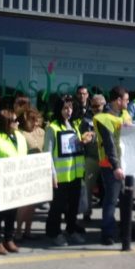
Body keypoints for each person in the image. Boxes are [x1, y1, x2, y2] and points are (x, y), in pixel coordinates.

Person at [45, 95, 93, 245]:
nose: (69, 111)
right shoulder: (52, 128)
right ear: (59, 109)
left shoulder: (73, 127)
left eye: (71, 108)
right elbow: (47, 153)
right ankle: (54, 233)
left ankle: (71, 230)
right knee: (57, 208)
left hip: (75, 175)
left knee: (73, 207)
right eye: (65, 108)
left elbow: (75, 148)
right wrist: (52, 175)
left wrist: (83, 141)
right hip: (60, 176)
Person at [0, 110, 27, 255]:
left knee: (11, 213)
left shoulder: (19, 136)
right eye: (14, 121)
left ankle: (9, 239)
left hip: (15, 181)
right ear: (6, 123)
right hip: (0, 182)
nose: (18, 123)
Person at [93, 86, 130, 245]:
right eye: (126, 100)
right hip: (111, 165)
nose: (128, 103)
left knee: (125, 200)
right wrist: (116, 166)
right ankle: (107, 234)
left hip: (125, 164)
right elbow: (110, 145)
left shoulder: (125, 115)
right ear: (118, 100)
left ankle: (125, 230)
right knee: (111, 200)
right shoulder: (104, 119)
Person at [16, 109, 46, 241]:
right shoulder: (20, 134)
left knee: (32, 205)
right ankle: (17, 231)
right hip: (25, 172)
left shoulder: (41, 132)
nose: (35, 123)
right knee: (23, 205)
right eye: (32, 120)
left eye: (36, 120)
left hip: (37, 171)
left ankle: (28, 230)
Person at [79, 94, 106, 222]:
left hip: (106, 158)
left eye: (98, 106)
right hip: (91, 157)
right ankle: (87, 212)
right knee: (88, 188)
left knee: (108, 189)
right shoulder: (85, 120)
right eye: (93, 106)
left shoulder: (110, 118)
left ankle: (107, 215)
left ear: (104, 105)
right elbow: (81, 138)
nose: (95, 108)